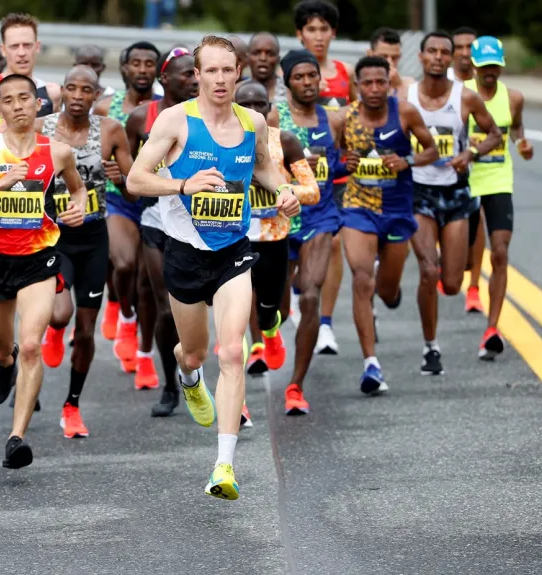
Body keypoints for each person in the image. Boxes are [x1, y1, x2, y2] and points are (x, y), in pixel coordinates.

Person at [127, 35, 300, 500]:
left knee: (232, 354)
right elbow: (136, 179)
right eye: (211, 71)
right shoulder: (175, 120)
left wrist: (283, 190)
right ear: (197, 75)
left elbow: (263, 167)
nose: (220, 79)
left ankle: (223, 466)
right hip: (185, 252)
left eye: (228, 70)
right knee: (194, 353)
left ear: (238, 72)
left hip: (233, 250)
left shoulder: (253, 122)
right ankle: (188, 377)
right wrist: (183, 184)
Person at [0, 74, 88, 468]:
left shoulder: (57, 152)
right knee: (3, 347)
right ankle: (3, 362)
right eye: (8, 100)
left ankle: (16, 438)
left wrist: (77, 207)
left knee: (31, 345)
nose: (17, 106)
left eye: (24, 98)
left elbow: (77, 188)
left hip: (39, 259)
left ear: (37, 103)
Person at [35, 65, 133, 437]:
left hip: (93, 239)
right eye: (71, 88)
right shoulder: (41, 129)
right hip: (53, 237)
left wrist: (121, 179)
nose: (77, 96)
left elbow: (134, 191)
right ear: (62, 91)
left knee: (87, 331)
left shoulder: (110, 131)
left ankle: (72, 406)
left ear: (96, 95)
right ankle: (54, 330)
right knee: (61, 314)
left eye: (86, 90)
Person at [339, 56, 439, 394]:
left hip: (397, 209)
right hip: (358, 207)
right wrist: (344, 161)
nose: (374, 89)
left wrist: (407, 160)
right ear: (357, 86)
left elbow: (432, 150)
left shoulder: (406, 112)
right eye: (367, 83)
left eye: (380, 82)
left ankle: (389, 291)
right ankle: (371, 364)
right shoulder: (345, 117)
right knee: (361, 279)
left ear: (388, 83)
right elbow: (333, 156)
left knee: (386, 290)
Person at [408, 31, 501, 375]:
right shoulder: (405, 97)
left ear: (451, 59)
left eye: (444, 52)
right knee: (428, 271)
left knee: (450, 283)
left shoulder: (466, 96)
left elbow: (494, 134)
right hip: (418, 192)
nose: (438, 57)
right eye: (431, 51)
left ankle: (449, 276)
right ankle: (430, 346)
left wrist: (471, 153)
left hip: (456, 192)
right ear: (421, 57)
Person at [269, 49, 352, 414]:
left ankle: (296, 386)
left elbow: (341, 161)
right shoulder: (274, 117)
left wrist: (343, 166)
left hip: (320, 216)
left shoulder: (333, 119)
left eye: (312, 76)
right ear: (287, 82)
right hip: (281, 217)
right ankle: (271, 332)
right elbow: (260, 163)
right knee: (276, 307)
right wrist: (295, 168)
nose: (307, 82)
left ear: (320, 79)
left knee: (310, 295)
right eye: (299, 77)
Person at [125, 46, 199, 415]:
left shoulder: (210, 115)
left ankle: (201, 374)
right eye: (186, 74)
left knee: (201, 309)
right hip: (156, 219)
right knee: (166, 309)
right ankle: (171, 385)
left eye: (197, 73)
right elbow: (130, 178)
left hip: (202, 222)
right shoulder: (141, 118)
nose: (194, 80)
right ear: (164, 79)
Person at [236, 80, 320, 402]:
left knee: (271, 308)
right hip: (233, 239)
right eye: (245, 105)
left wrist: (280, 190)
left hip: (273, 238)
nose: (253, 111)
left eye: (259, 104)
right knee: (235, 313)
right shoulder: (217, 142)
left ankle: (270, 331)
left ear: (269, 109)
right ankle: (238, 399)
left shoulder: (285, 141)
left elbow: (312, 191)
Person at [91, 41, 162, 371]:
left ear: (158, 70)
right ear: (124, 68)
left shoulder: (167, 109)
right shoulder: (106, 108)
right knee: (124, 265)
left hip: (157, 201)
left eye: (149, 63)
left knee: (148, 283)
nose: (143, 69)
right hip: (118, 197)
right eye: (136, 63)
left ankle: (145, 352)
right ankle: (125, 314)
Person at [463, 36, 534, 359]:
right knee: (462, 261)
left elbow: (516, 127)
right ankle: (469, 285)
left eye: (494, 66)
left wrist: (522, 144)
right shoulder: (461, 94)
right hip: (464, 181)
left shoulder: (514, 98)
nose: (489, 72)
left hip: (498, 180)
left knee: (500, 252)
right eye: (484, 66)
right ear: (474, 66)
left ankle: (492, 329)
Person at [294, 0, 354, 354]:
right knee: (299, 248)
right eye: (311, 29)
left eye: (324, 29)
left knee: (332, 245)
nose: (318, 36)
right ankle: (298, 294)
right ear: (300, 34)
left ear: (333, 33)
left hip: (337, 178)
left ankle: (326, 323)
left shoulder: (345, 74)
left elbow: (356, 119)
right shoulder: (293, 71)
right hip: (297, 178)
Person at [0, 13, 61, 128]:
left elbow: (57, 134)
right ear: (3, 50)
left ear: (37, 46)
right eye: (14, 46)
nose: (21, 53)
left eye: (27, 45)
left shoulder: (52, 93)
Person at [368, 27, 415, 97]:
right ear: (370, 54)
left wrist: (399, 86)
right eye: (383, 56)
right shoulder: (356, 84)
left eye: (394, 57)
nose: (389, 62)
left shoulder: (409, 85)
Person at [247, 32, 286, 102]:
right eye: (256, 53)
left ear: (278, 59)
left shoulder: (291, 93)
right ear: (248, 58)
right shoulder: (235, 92)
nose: (263, 58)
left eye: (270, 54)